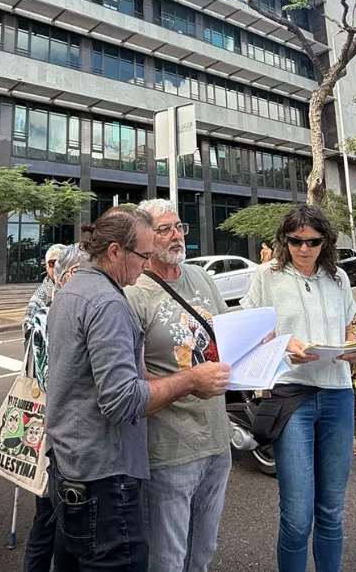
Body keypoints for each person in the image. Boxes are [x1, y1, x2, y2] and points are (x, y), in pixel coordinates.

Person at [45, 207, 230, 572]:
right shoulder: (109, 303)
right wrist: (190, 380)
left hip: (74, 464)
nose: (146, 265)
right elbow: (123, 400)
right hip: (105, 471)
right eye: (143, 255)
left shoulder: (72, 290)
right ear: (115, 251)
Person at [240, 204, 356, 572]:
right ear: (285, 240)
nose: (304, 249)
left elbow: (348, 330)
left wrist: (353, 349)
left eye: (312, 241)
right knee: (296, 514)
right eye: (296, 241)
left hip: (338, 393)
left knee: (331, 509)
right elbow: (253, 334)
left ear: (325, 242)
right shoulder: (267, 276)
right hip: (292, 395)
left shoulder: (338, 278)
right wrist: (284, 345)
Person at [124, 200, 231, 572]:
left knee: (203, 552)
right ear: (145, 237)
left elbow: (228, 334)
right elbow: (133, 383)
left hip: (217, 440)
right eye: (164, 229)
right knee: (167, 559)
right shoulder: (134, 293)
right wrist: (189, 383)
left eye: (179, 227)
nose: (176, 236)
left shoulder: (200, 277)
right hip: (169, 450)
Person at [22, 244, 88, 572]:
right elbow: (39, 365)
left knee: (57, 518)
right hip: (57, 428)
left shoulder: (74, 304)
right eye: (50, 262)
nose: (53, 266)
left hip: (64, 430)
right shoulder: (44, 307)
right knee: (50, 515)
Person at [25, 244, 66, 329]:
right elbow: (28, 322)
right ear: (47, 267)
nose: (57, 267)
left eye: (61, 262)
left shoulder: (77, 289)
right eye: (53, 263)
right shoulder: (41, 294)